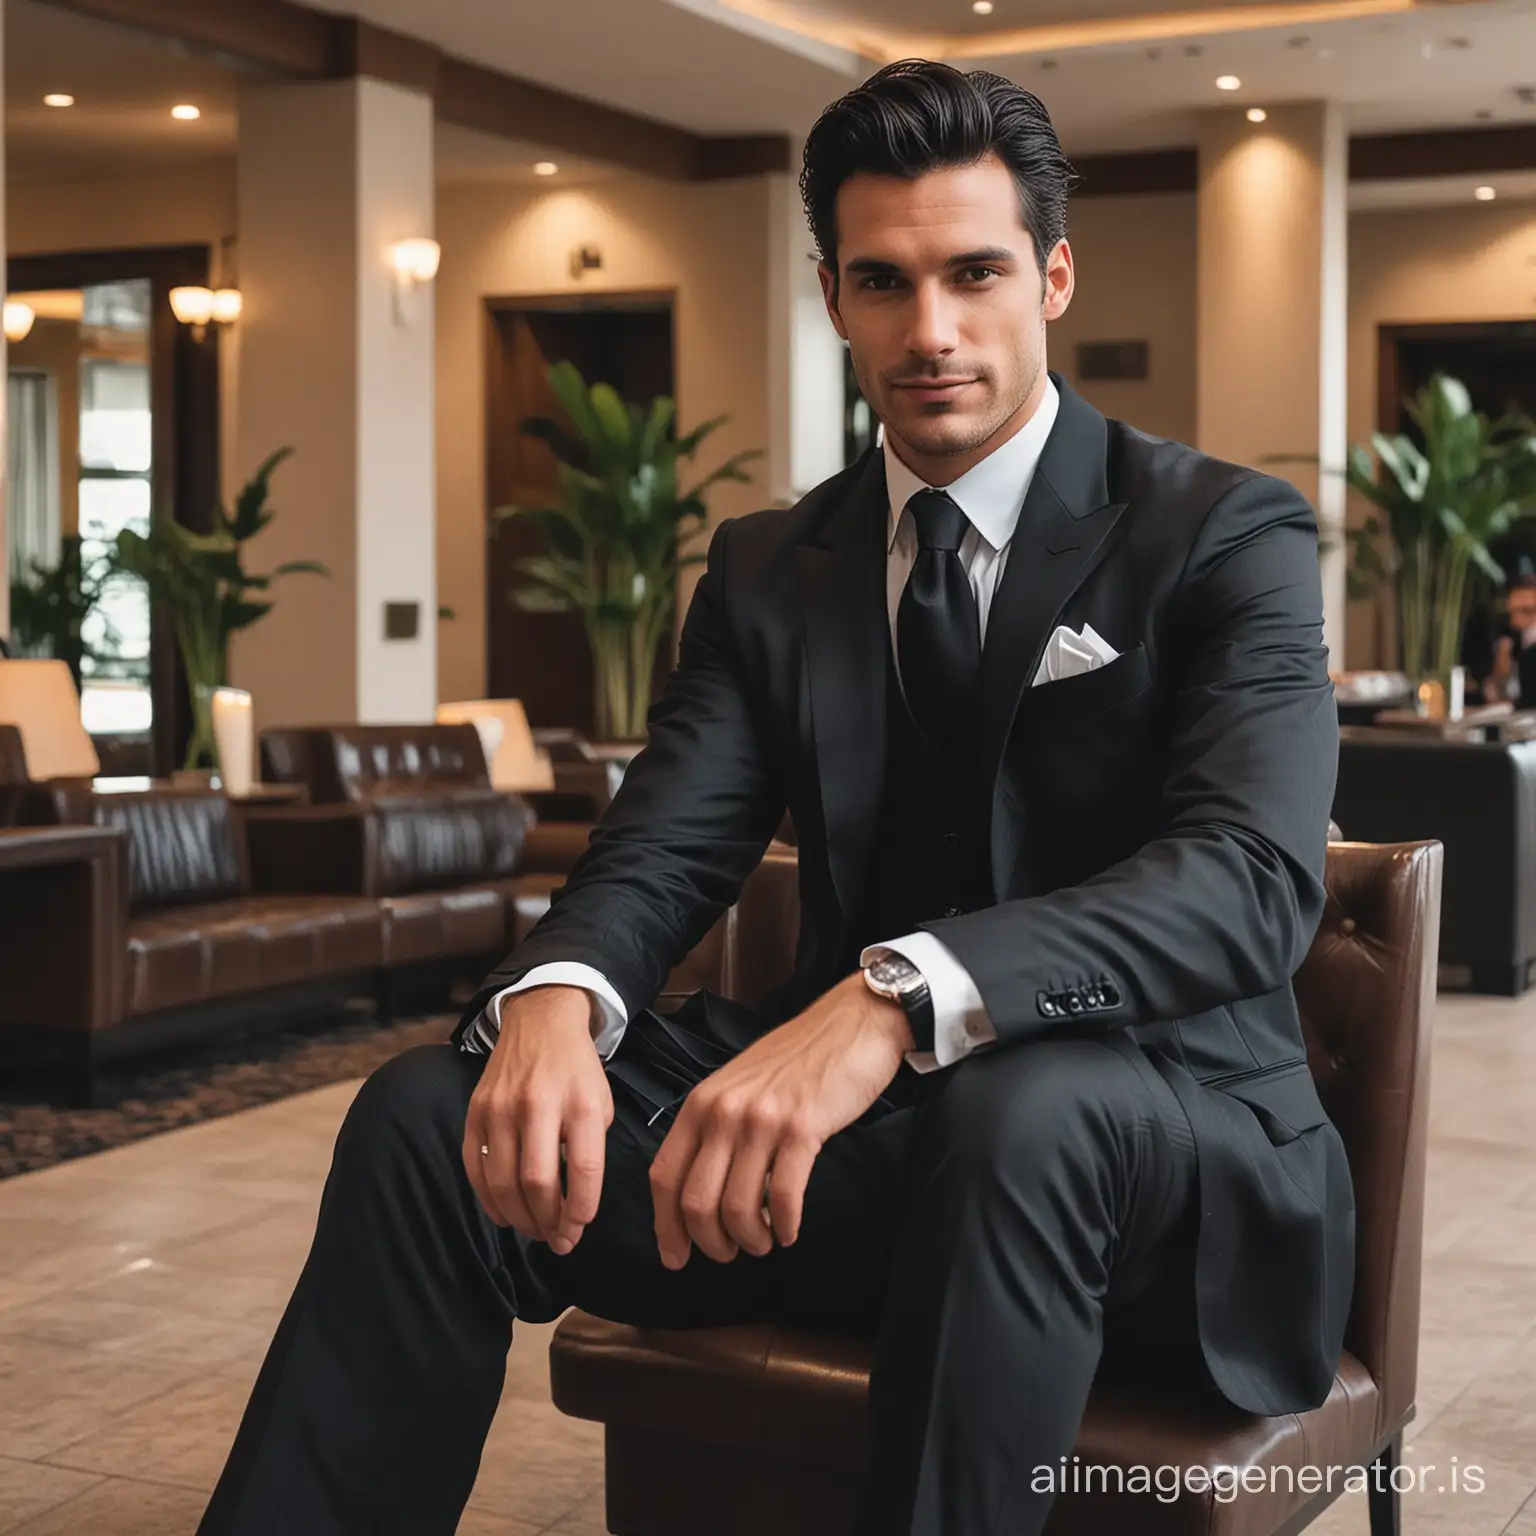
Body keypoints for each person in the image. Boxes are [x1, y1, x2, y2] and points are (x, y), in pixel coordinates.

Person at [199, 59, 1350, 1536]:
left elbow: (1249, 880)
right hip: (865, 1170)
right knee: (431, 1114)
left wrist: (890, 999)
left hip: (1159, 1165)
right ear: (832, 295)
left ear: (1053, 275)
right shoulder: (766, 570)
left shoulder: (1222, 534)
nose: (929, 333)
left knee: (1029, 1115)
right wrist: (557, 992)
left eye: (975, 273)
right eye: (883, 282)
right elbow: (668, 842)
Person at [1480, 573, 1536, 704]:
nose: (1517, 620)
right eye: (1513, 612)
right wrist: (1501, 672)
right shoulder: (1508, 645)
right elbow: (1495, 694)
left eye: (1527, 611)